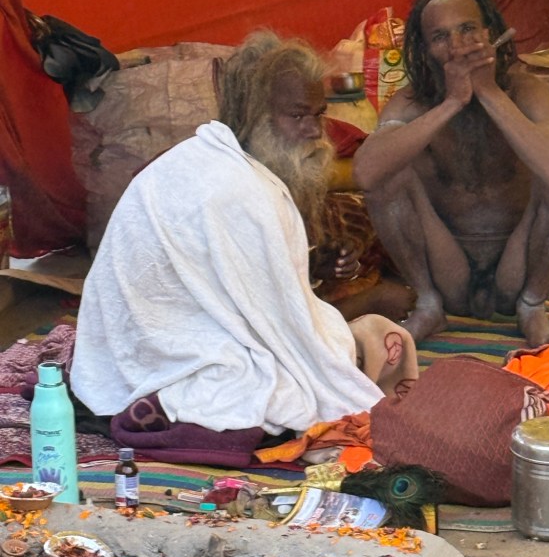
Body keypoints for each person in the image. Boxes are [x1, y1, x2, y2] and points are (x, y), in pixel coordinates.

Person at [70, 33, 417, 436]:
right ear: (255, 115)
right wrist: (365, 305)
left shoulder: (208, 155)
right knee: (307, 381)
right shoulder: (245, 191)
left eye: (318, 114)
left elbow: (238, 289)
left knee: (360, 338)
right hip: (161, 356)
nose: (314, 131)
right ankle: (166, 404)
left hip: (118, 354)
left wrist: (307, 268)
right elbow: (283, 333)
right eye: (297, 116)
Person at [353, 0, 549, 348]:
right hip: (448, 271)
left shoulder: (526, 91)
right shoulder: (412, 102)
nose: (458, 46)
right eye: (440, 37)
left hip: (518, 268)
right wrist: (453, 101)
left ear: (490, 34)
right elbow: (366, 174)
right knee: (387, 173)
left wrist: (489, 92)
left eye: (467, 30)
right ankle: (428, 305)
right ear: (425, 51)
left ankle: (533, 306)